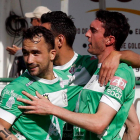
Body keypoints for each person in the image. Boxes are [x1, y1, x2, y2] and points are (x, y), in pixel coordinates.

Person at [17, 10, 140, 140]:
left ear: (60, 40)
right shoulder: (33, 72)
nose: (86, 34)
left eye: (46, 35)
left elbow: (127, 124)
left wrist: (118, 54)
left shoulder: (91, 66)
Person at [0, 26, 70, 140]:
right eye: (25, 53)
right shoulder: (18, 88)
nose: (29, 60)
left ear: (52, 54)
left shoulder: (64, 79)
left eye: (35, 53)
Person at [6, 6, 51, 77]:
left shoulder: (47, 36)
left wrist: (19, 52)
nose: (30, 22)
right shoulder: (51, 34)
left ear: (38, 20)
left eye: (32, 19)